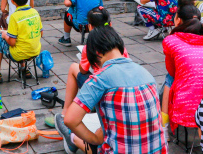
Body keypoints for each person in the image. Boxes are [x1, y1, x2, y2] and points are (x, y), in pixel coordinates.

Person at [57, 26, 164, 154]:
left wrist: (95, 138)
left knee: (69, 124)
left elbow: (70, 119)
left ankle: (73, 139)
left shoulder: (100, 79)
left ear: (98, 53)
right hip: (158, 150)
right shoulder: (147, 75)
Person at [60, 7, 130, 119]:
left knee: (74, 67)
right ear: (110, 24)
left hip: (102, 93)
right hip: (123, 90)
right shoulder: (119, 44)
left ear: (89, 27)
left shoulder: (90, 46)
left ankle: (65, 111)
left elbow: (83, 70)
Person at [162, 4, 203, 135]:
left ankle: (163, 127)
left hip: (185, 108)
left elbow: (172, 71)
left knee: (169, 78)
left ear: (178, 20)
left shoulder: (170, 41)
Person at [0, 0, 42, 78]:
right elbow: (41, 33)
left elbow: (12, 42)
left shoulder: (14, 17)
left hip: (18, 55)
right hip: (35, 52)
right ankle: (24, 69)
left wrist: (5, 35)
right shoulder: (35, 12)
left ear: (12, 1)